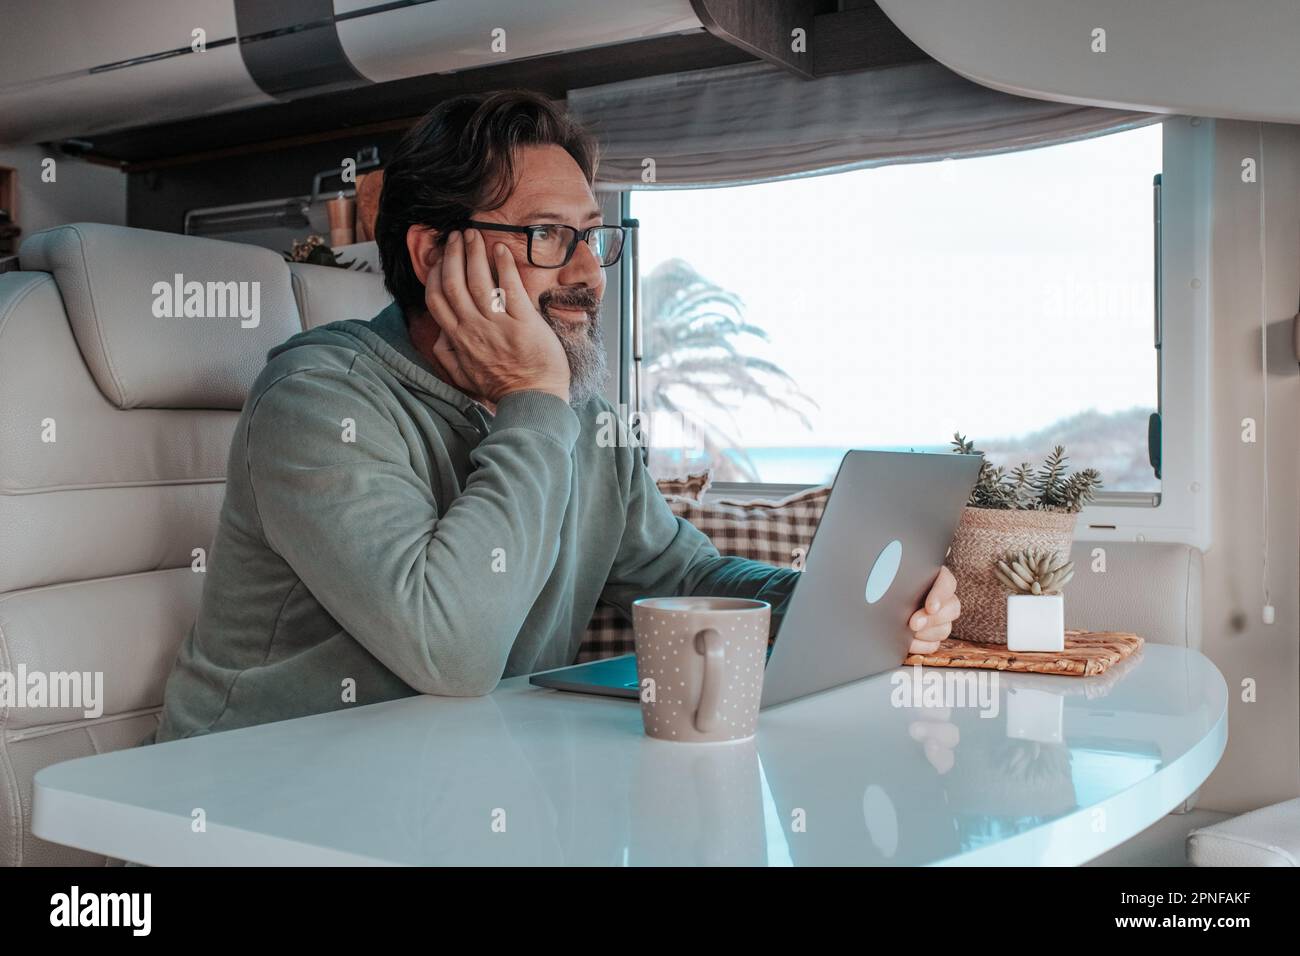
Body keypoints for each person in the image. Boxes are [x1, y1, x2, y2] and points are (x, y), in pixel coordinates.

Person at [150, 90, 960, 743]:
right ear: (435, 255)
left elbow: (685, 575)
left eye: (591, 237)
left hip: (462, 784)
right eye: (546, 235)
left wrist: (831, 603)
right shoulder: (319, 401)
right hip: (257, 804)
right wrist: (531, 399)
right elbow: (453, 650)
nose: (589, 275)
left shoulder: (579, 412)